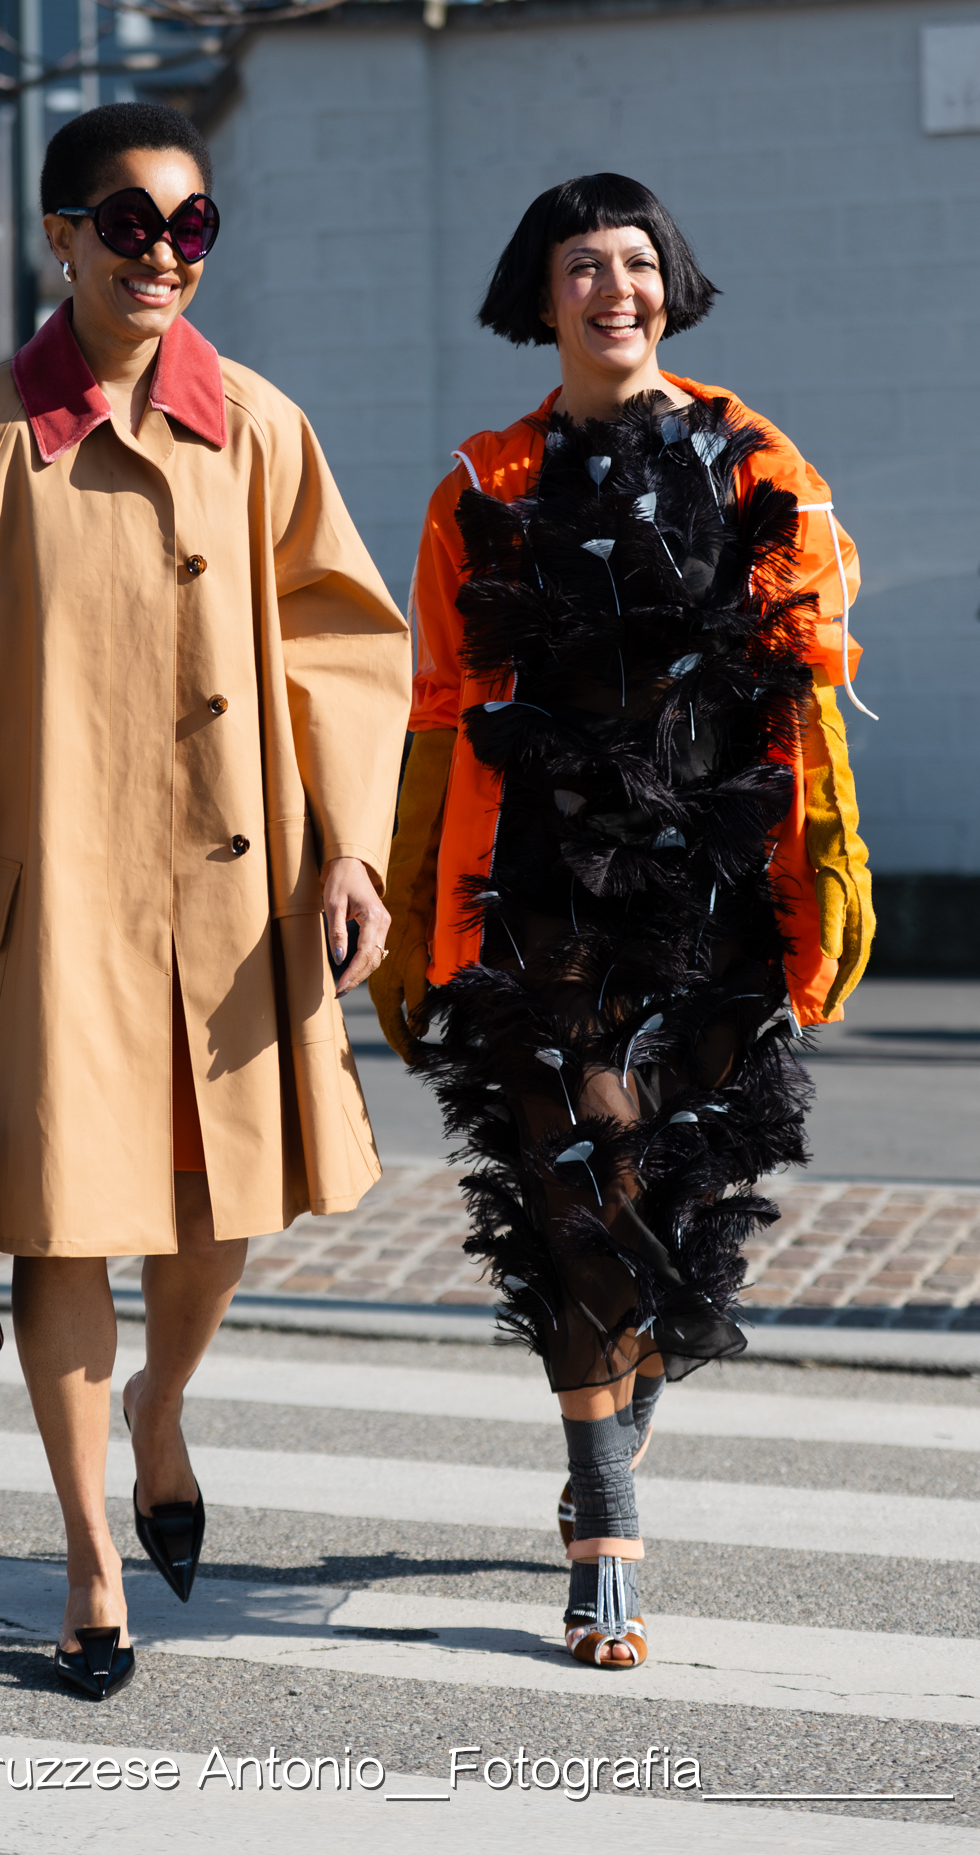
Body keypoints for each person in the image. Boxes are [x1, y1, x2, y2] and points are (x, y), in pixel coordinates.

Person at [0, 102, 410, 1699]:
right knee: (59, 1228)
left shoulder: (260, 423)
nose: (163, 251)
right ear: (60, 237)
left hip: (236, 898)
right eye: (127, 220)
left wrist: (354, 849)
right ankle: (90, 1555)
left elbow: (343, 642)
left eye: (191, 225)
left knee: (212, 1206)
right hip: (44, 913)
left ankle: (162, 1410)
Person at [370, 173, 873, 1671]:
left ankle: (623, 1400)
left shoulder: (760, 458)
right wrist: (409, 909)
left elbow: (810, 685)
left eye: (637, 263)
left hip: (712, 886)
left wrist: (833, 872)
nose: (614, 289)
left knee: (682, 1204)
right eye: (582, 266)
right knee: (574, 1183)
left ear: (671, 283)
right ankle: (603, 1519)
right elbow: (437, 707)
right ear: (540, 294)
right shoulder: (484, 482)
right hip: (541, 893)